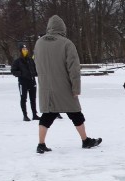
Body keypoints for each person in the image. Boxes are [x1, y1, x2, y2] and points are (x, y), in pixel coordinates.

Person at [33, 15, 102, 154]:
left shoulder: (39, 43)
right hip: (64, 86)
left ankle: (41, 144)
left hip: (46, 87)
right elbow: (74, 68)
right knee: (76, 114)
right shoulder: (66, 43)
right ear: (62, 28)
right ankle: (85, 140)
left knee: (47, 115)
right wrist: (76, 88)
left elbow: (37, 64)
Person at [11, 43, 39, 121]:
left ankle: (34, 114)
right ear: (20, 51)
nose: (25, 51)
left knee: (33, 98)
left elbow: (35, 69)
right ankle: (25, 115)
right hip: (23, 82)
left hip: (32, 81)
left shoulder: (31, 60)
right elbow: (13, 71)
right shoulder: (17, 61)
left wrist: (35, 73)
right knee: (23, 98)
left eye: (26, 49)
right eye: (23, 49)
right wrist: (21, 74)